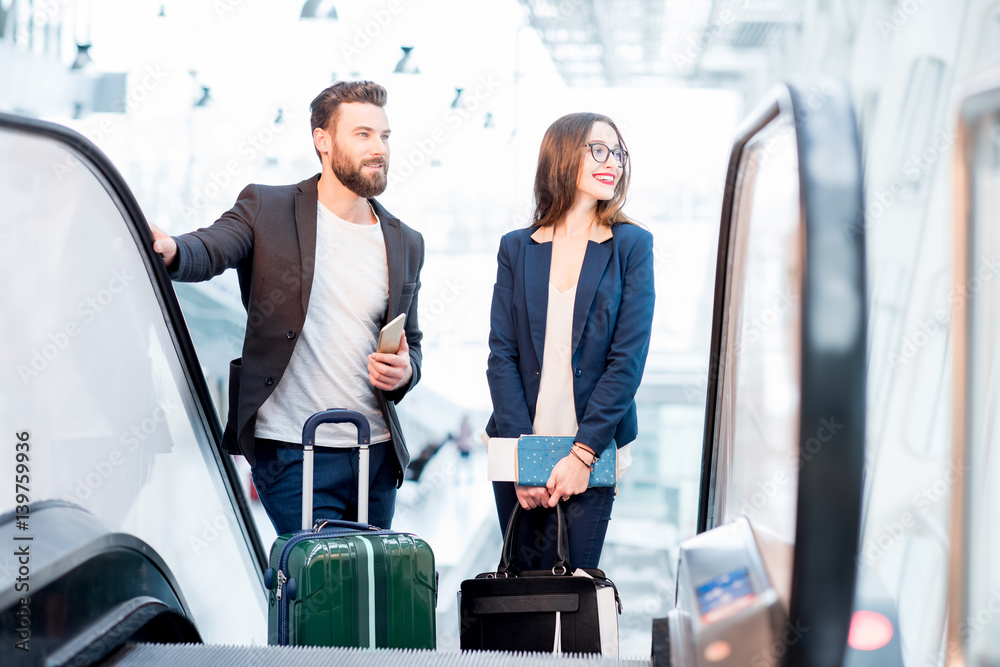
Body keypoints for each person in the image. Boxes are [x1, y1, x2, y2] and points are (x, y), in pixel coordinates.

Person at [150, 81, 424, 535]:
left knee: (371, 595)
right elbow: (211, 248)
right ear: (323, 141)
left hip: (375, 455)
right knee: (324, 591)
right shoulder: (267, 208)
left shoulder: (404, 240)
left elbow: (410, 342)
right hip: (293, 451)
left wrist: (406, 371)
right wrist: (173, 251)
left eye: (385, 136)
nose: (379, 148)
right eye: (363, 135)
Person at [485, 112, 655, 570]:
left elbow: (628, 361)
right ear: (562, 156)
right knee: (521, 605)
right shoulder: (517, 248)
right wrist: (527, 461)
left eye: (617, 152)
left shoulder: (631, 246)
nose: (612, 162)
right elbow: (502, 356)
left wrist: (582, 455)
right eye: (598, 149)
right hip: (519, 443)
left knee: (573, 598)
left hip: (592, 448)